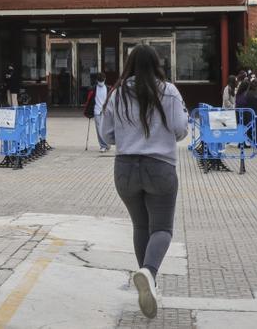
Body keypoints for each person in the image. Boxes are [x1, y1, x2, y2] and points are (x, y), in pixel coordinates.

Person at [98, 44, 188, 320]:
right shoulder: (168, 91)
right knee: (161, 228)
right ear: (157, 64)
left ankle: (147, 280)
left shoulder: (117, 93)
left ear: (130, 65)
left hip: (124, 168)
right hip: (159, 166)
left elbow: (107, 135)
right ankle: (148, 272)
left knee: (140, 225)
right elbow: (181, 129)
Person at [92, 73, 110, 152]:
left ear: (105, 80)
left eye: (102, 80)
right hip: (97, 111)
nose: (101, 82)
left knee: (106, 129)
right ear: (97, 81)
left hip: (106, 111)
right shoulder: (94, 89)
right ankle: (103, 145)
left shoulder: (108, 88)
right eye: (100, 81)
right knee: (99, 129)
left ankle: (107, 144)